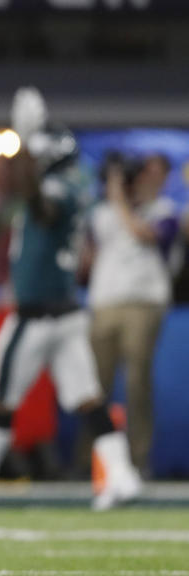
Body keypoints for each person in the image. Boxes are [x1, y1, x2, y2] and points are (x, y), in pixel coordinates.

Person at [0, 88, 142, 510]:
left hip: (38, 314)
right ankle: (122, 474)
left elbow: (40, 203)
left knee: (1, 393)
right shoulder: (67, 185)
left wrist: (24, 144)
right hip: (62, 311)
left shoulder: (60, 189)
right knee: (86, 396)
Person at [88, 154, 178, 475]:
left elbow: (145, 233)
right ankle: (93, 462)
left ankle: (139, 462)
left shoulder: (165, 210)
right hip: (105, 302)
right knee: (95, 385)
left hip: (144, 302)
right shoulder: (101, 212)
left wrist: (119, 202)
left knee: (137, 381)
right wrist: (113, 198)